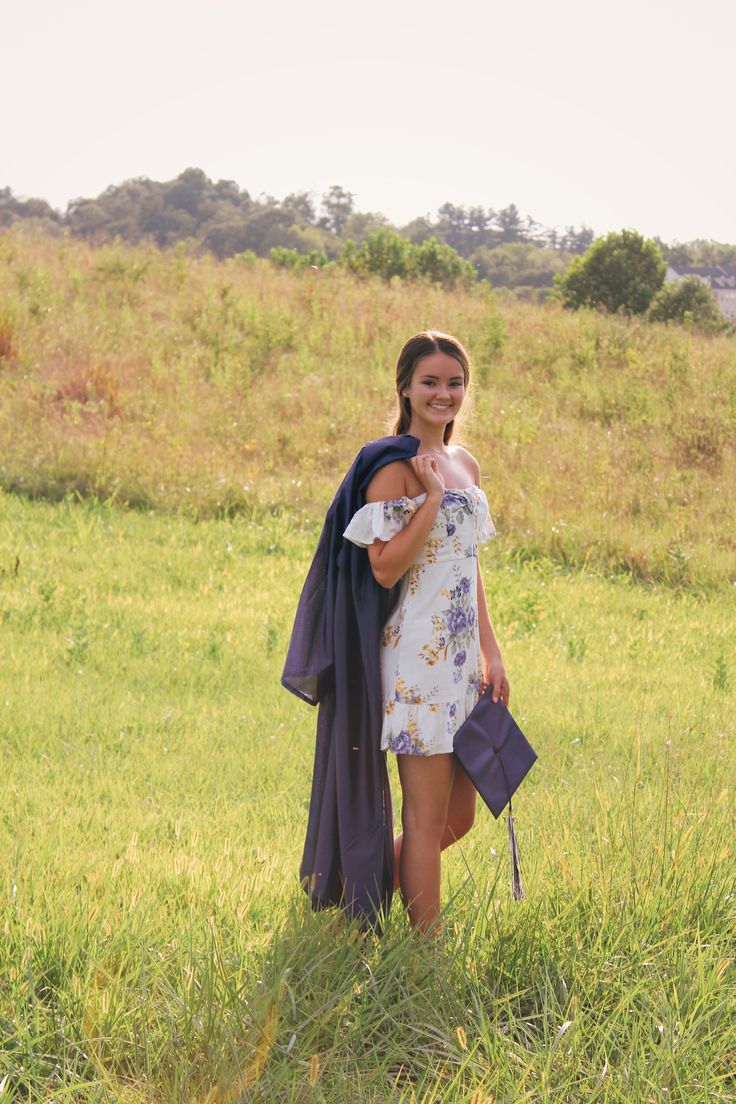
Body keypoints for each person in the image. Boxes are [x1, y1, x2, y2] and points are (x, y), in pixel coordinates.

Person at [282, 330, 508, 936]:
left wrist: (492, 650)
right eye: (430, 382)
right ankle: (423, 956)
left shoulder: (468, 463)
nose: (443, 393)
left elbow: (468, 566)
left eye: (454, 382)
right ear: (405, 386)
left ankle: (363, 885)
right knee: (428, 817)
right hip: (417, 663)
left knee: (459, 816)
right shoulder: (393, 468)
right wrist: (430, 497)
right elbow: (384, 566)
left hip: (461, 662)